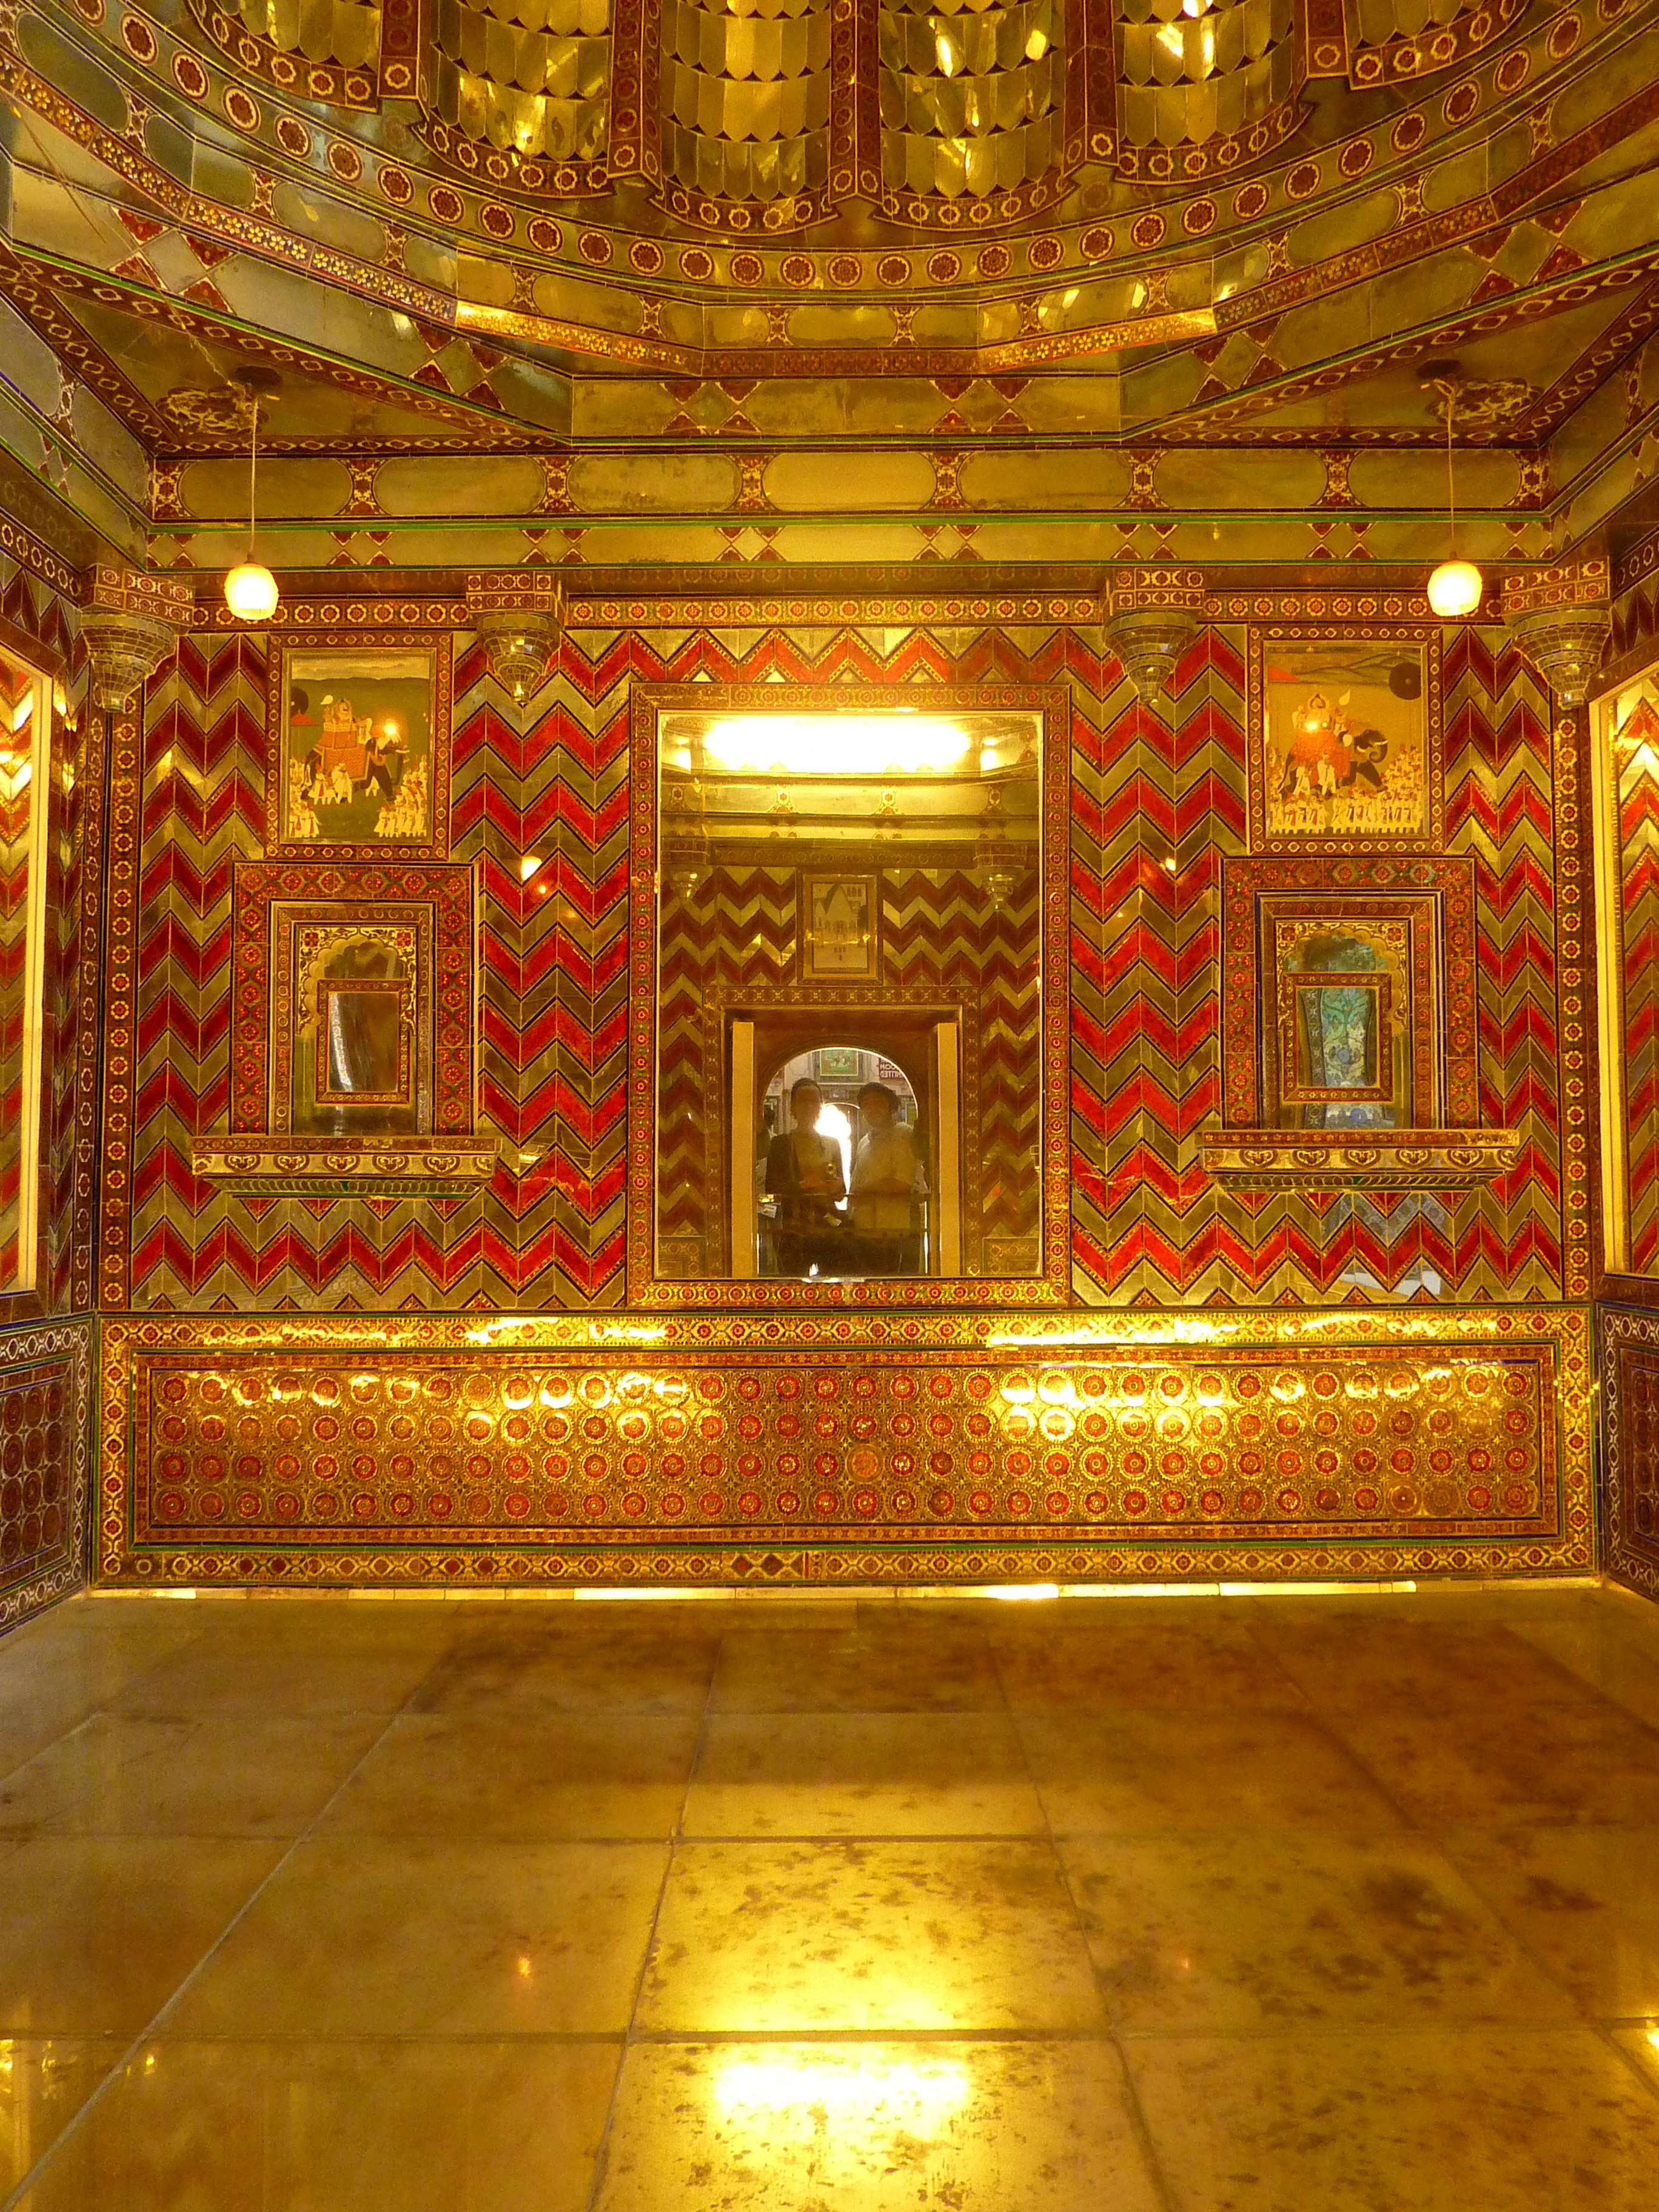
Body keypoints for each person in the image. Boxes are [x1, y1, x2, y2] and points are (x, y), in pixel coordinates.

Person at [763, 1078, 845, 1276]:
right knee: (794, 1284)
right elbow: (772, 1187)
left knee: (830, 1283)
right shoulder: (781, 1144)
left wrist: (836, 1187)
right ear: (793, 1106)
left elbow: (841, 1193)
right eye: (803, 1101)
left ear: (820, 1106)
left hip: (826, 1228)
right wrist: (803, 1185)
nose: (809, 1107)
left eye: (814, 1101)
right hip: (794, 1229)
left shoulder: (832, 1143)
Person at [848, 1081, 925, 1276]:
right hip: (865, 1231)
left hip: (895, 1231)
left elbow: (903, 1183)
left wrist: (866, 1190)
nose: (872, 1109)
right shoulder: (865, 1142)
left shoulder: (902, 1134)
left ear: (891, 1106)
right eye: (866, 1104)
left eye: (878, 1103)